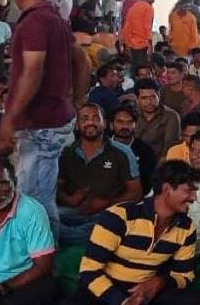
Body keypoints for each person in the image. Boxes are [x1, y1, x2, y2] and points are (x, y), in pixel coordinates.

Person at [54, 161, 200, 305]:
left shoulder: (186, 227)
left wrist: (159, 282)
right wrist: (123, 304)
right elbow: (89, 272)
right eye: (189, 191)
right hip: (106, 291)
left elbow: (184, 275)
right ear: (167, 189)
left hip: (147, 294)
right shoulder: (119, 216)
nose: (194, 198)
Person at [0, 0, 91, 244]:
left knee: (35, 199)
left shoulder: (35, 22)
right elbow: (82, 61)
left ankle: (46, 259)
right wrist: (77, 99)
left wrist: (8, 122)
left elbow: (32, 72)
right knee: (38, 195)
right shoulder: (56, 18)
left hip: (41, 123)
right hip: (52, 119)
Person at [0, 159, 62, 305]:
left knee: (49, 288)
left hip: (18, 283)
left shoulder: (31, 211)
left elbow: (43, 267)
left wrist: (0, 287)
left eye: (1, 185)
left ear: (14, 182)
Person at [57, 103, 142, 245]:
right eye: (84, 118)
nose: (90, 122)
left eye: (96, 118)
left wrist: (107, 203)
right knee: (49, 220)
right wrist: (70, 200)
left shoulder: (122, 152)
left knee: (109, 224)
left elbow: (135, 193)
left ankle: (76, 237)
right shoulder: (66, 152)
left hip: (108, 213)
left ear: (105, 124)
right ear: (77, 125)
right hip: (72, 211)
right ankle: (81, 237)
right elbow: (58, 188)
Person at [134, 78, 181, 163]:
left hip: (159, 164)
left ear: (158, 95)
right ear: (137, 99)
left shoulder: (171, 116)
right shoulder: (133, 114)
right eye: (144, 98)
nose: (149, 102)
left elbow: (168, 149)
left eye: (153, 97)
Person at [121, 0, 157, 67]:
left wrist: (127, 43)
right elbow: (147, 27)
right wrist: (150, 44)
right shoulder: (148, 7)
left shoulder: (133, 7)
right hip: (142, 44)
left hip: (132, 44)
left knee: (135, 70)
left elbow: (126, 27)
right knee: (142, 69)